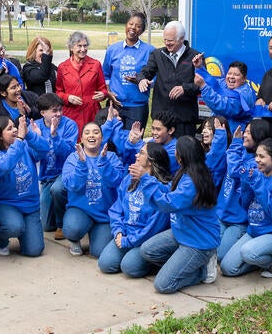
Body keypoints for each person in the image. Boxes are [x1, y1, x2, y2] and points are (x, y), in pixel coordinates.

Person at [136, 136, 221, 293]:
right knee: (147, 250)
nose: (174, 153)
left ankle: (204, 271)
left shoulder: (192, 182)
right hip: (182, 232)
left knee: (162, 285)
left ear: (182, 156)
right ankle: (182, 264)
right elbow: (170, 190)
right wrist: (150, 180)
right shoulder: (188, 172)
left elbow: (167, 203)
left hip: (198, 243)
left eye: (176, 150)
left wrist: (146, 179)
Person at [220, 137, 272, 278]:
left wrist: (257, 183)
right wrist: (245, 183)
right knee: (227, 268)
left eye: (262, 156)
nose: (257, 160)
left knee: (248, 252)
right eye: (256, 155)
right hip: (255, 231)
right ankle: (262, 259)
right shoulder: (257, 174)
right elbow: (245, 205)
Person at [101, 143, 172, 274]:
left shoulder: (163, 188)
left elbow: (154, 227)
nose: (136, 155)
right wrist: (118, 231)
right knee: (106, 264)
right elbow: (117, 209)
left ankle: (159, 263)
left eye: (141, 153)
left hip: (146, 239)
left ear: (151, 161)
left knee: (129, 267)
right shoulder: (130, 178)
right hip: (126, 233)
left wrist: (129, 241)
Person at [0, 115, 50, 257]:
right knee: (14, 226)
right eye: (9, 129)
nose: (14, 130)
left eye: (14, 127)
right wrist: (19, 139)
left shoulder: (25, 146)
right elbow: (4, 166)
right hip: (6, 205)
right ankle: (1, 240)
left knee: (34, 250)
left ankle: (23, 230)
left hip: (30, 206)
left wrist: (28, 133)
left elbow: (44, 149)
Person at [60, 123, 124, 257]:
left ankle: (96, 233)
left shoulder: (111, 157)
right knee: (72, 229)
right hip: (81, 210)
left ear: (102, 138)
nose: (91, 135)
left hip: (104, 214)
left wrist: (104, 162)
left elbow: (117, 181)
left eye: (96, 132)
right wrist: (82, 164)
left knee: (99, 253)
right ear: (81, 138)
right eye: (87, 132)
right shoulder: (73, 158)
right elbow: (72, 185)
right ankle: (75, 240)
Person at [216, 119, 271, 262]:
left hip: (238, 221)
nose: (244, 135)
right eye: (245, 131)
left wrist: (235, 143)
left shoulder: (258, 163)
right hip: (221, 215)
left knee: (220, 256)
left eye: (249, 133)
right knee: (210, 250)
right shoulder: (239, 151)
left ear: (259, 136)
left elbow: (235, 171)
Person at [138, 21, 201, 138]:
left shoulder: (195, 57)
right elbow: (146, 72)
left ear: (181, 39)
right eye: (165, 39)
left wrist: (185, 88)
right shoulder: (157, 54)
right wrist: (142, 79)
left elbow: (202, 85)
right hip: (162, 119)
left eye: (171, 40)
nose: (167, 43)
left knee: (184, 149)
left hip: (185, 119)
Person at [31, 93, 78, 238]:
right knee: (46, 226)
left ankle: (62, 224)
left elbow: (69, 154)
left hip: (66, 171)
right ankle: (64, 212)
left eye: (60, 110)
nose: (59, 114)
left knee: (57, 189)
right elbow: (34, 157)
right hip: (47, 175)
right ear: (43, 113)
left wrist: (55, 135)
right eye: (54, 111)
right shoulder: (35, 126)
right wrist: (37, 140)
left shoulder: (69, 125)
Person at [104, 12, 156, 129]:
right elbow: (105, 74)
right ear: (126, 25)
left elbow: (157, 77)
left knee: (134, 139)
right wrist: (108, 92)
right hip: (115, 105)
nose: (133, 28)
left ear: (142, 30)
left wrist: (143, 82)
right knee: (111, 138)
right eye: (131, 24)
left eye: (138, 26)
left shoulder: (150, 51)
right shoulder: (112, 49)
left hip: (137, 107)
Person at [55, 31, 108, 127]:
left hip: (91, 114)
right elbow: (59, 92)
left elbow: (103, 89)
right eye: (79, 46)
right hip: (71, 114)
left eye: (85, 46)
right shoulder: (62, 67)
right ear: (71, 48)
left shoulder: (96, 65)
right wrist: (67, 98)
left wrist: (103, 94)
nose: (83, 49)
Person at [196, 60, 256, 132]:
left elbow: (222, 106)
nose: (231, 77)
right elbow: (212, 81)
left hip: (233, 133)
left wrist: (203, 87)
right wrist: (199, 68)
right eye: (229, 73)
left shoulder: (243, 94)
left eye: (236, 75)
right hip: (219, 131)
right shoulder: (225, 84)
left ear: (244, 79)